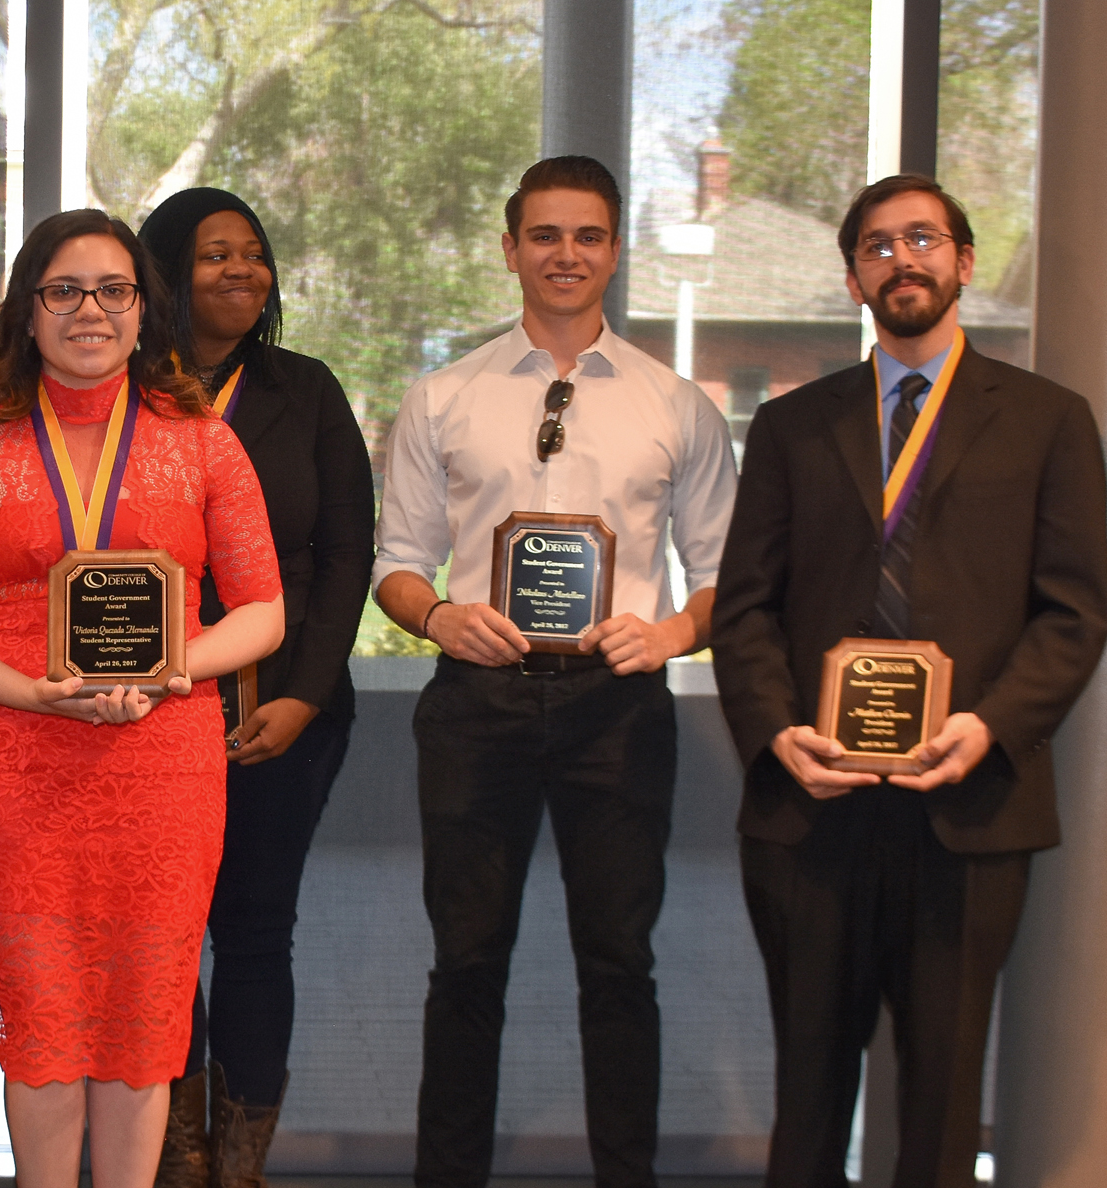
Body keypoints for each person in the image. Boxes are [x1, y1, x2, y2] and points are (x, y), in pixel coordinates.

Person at [711, 175, 1107, 1188]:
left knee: (940, 1096)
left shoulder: (1047, 421)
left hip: (967, 807)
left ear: (962, 261)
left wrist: (989, 727)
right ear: (852, 278)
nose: (902, 260)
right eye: (877, 247)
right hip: (810, 810)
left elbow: (1073, 611)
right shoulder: (793, 424)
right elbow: (744, 605)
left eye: (921, 239)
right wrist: (775, 732)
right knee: (805, 1092)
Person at [0, 208, 285, 1188]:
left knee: (143, 1025)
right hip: (19, 764)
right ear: (25, 311)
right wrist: (30, 689)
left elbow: (264, 611)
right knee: (40, 1019)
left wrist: (173, 669)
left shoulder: (199, 441)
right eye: (62, 291)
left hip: (165, 765)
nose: (89, 311)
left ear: (143, 310)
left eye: (113, 290)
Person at [371, 156, 737, 1188]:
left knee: (618, 969)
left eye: (586, 236)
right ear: (509, 249)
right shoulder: (444, 395)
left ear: (614, 250)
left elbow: (723, 578)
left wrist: (665, 636)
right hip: (475, 704)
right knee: (465, 969)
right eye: (543, 235)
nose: (564, 255)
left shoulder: (675, 406)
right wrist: (441, 615)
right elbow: (393, 567)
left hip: (614, 708)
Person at [136, 187, 374, 1187]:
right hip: (149, 715)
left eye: (254, 255)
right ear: (163, 274)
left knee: (253, 932)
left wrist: (302, 695)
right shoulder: (125, 392)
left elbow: (342, 554)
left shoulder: (304, 389)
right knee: (159, 935)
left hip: (282, 720)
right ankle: (174, 1152)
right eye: (212, 255)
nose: (240, 272)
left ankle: (238, 1161)